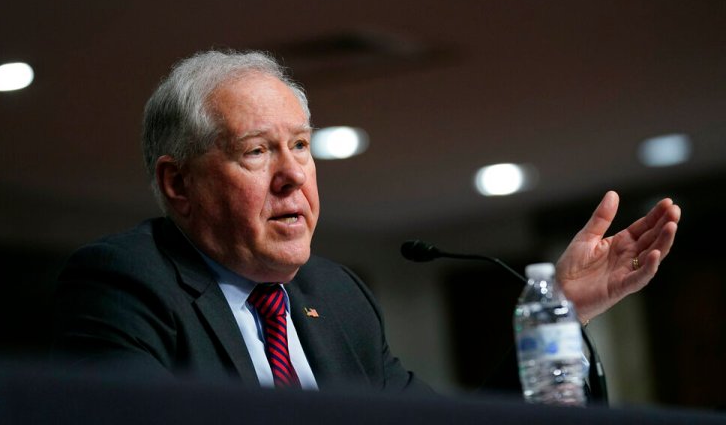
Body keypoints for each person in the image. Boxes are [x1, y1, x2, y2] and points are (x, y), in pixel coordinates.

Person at [50, 50, 681, 393]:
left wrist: (561, 312)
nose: (293, 174)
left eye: (301, 145)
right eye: (256, 150)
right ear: (177, 182)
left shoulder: (337, 296)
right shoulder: (126, 283)